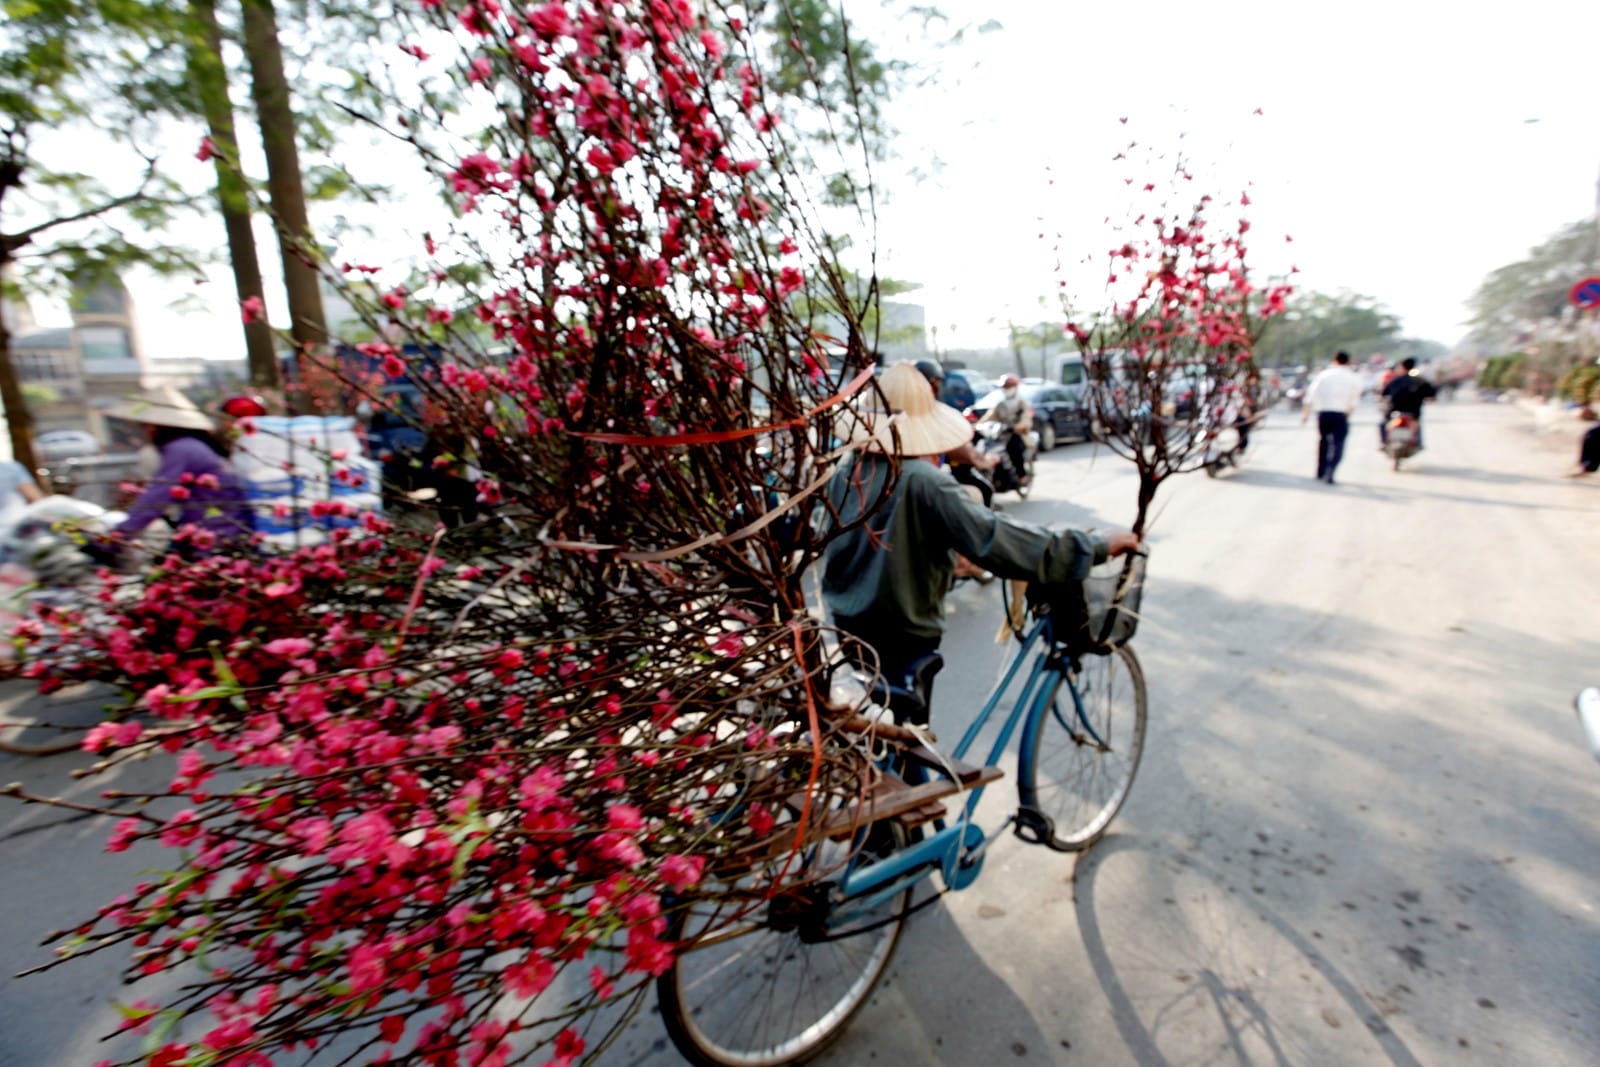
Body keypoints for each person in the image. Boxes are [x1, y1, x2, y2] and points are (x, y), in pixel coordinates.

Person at [821, 363, 1140, 700]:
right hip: (901, 631)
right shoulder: (923, 481)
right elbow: (998, 540)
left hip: (846, 621)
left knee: (879, 724)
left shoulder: (847, 469)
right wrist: (1094, 546)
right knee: (901, 734)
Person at [97, 387, 252, 560]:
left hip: (217, 538)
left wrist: (116, 537)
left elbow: (156, 498)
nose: (145, 432)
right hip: (222, 531)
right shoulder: (194, 445)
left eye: (147, 426)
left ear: (158, 427)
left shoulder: (181, 449)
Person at [1301, 351, 1361, 484]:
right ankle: (1330, 472)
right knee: (1337, 444)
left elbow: (1310, 396)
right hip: (1340, 415)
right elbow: (1354, 401)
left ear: (1335, 360)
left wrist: (1305, 414)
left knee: (1323, 442)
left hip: (1324, 413)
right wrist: (1347, 415)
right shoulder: (1352, 377)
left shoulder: (1324, 375)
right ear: (1348, 361)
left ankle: (1320, 471)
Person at [983, 374, 1032, 484]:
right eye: (1005, 387)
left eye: (1009, 386)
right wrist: (976, 424)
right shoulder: (1001, 404)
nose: (1007, 389)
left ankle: (1021, 475)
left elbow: (1026, 418)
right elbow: (989, 416)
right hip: (1001, 434)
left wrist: (1019, 426)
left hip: (1016, 433)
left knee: (1014, 448)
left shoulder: (1021, 402)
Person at [1379, 358, 1437, 449]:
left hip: (1394, 412)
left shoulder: (1394, 381)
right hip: (1413, 413)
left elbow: (1383, 395)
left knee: (1383, 424)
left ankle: (1384, 443)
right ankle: (1418, 443)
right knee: (1417, 427)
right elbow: (1431, 396)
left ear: (1402, 367)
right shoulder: (1420, 381)